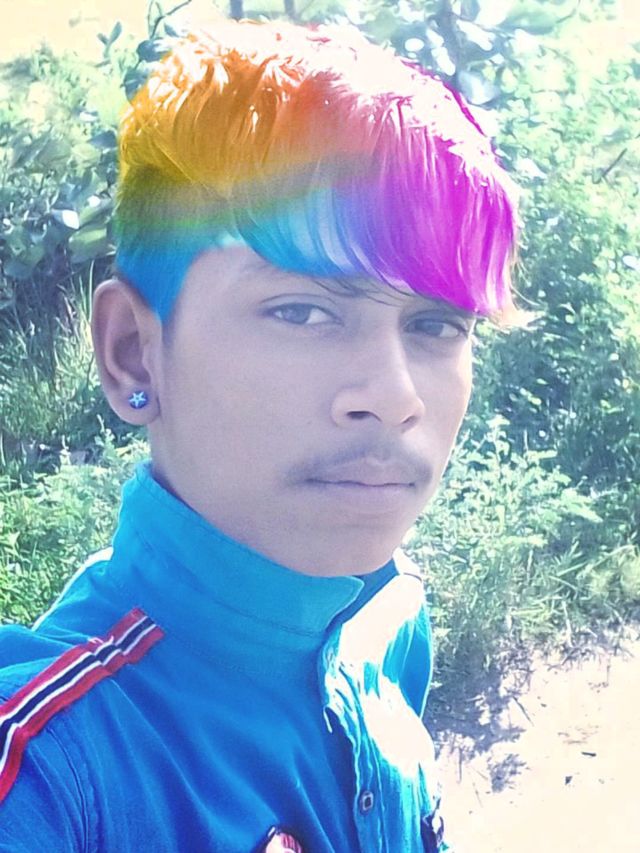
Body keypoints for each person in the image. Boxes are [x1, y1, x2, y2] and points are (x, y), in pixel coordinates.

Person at [0, 19, 518, 853]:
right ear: (133, 351)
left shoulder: (390, 622)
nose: (395, 397)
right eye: (303, 310)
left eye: (435, 324)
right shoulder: (53, 775)